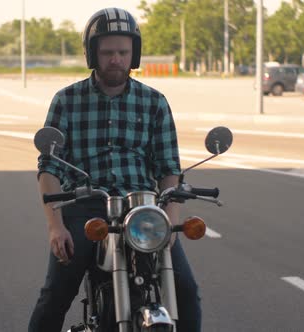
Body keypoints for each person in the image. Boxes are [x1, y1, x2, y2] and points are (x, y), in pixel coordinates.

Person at [29, 7, 201, 332]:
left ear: (134, 54)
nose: (115, 59)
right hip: (84, 207)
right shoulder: (66, 101)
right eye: (107, 52)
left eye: (123, 52)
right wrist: (55, 227)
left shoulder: (154, 102)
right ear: (92, 54)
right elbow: (48, 168)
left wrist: (173, 219)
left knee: (186, 291)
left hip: (141, 208)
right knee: (55, 295)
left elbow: (169, 168)